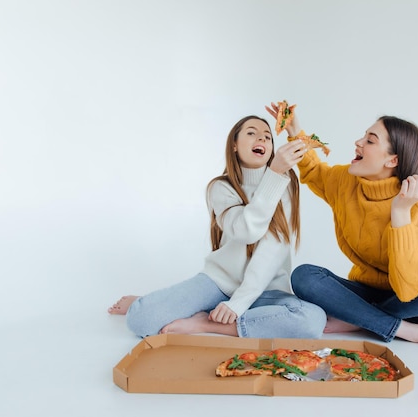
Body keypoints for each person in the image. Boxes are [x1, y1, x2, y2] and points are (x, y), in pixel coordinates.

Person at [266, 103, 418, 351]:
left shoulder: (416, 209)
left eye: (370, 140)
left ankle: (362, 320)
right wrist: (294, 129)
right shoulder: (346, 181)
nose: (358, 142)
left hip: (416, 303)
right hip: (368, 296)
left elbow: (407, 291)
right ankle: (410, 331)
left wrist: (400, 212)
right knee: (304, 276)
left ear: (393, 159)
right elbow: (314, 171)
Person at [108, 115, 327, 339]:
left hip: (265, 290)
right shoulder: (221, 187)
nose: (261, 137)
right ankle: (150, 301)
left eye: (267, 136)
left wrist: (239, 303)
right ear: (234, 145)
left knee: (312, 320)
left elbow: (273, 251)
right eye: (251, 133)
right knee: (142, 318)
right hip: (218, 283)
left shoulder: (284, 184)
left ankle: (207, 322)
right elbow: (246, 231)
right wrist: (274, 174)